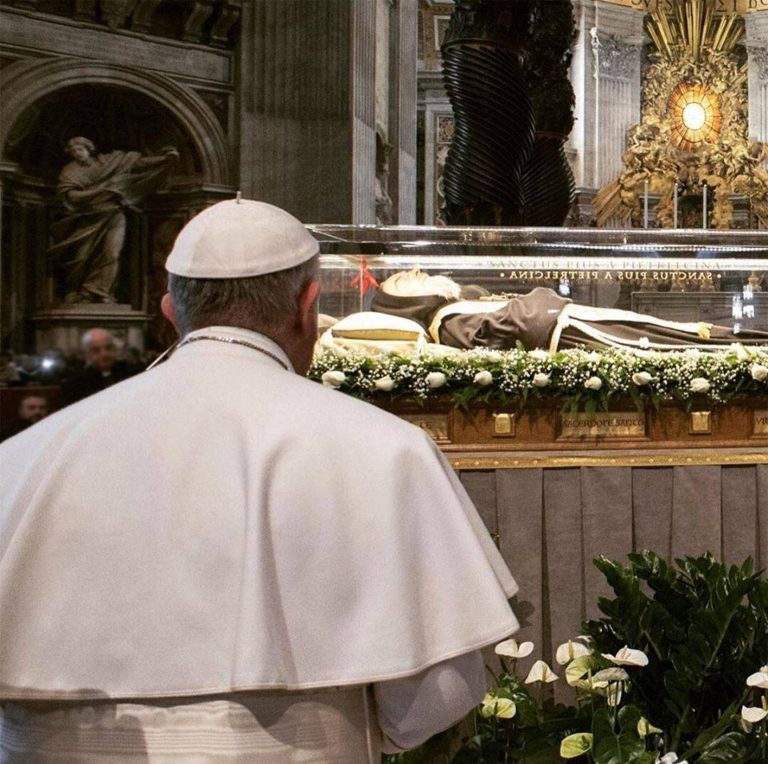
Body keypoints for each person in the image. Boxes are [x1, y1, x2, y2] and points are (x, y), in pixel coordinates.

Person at [0, 199, 519, 761]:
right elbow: (436, 694)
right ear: (308, 308)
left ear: (169, 311)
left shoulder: (28, 455)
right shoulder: (385, 450)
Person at [363, 268, 768, 353]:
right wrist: (540, 296)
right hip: (572, 331)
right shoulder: (446, 322)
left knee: (663, 328)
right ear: (410, 301)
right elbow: (512, 322)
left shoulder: (453, 308)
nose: (417, 270)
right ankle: (744, 346)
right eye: (406, 278)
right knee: (668, 339)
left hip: (572, 321)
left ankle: (745, 343)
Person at [49, 136, 179, 304]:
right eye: (73, 152)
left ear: (89, 148)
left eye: (80, 149)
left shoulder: (109, 162)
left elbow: (137, 164)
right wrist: (102, 190)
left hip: (113, 214)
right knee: (81, 258)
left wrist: (162, 158)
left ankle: (99, 291)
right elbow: (73, 197)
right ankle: (77, 291)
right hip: (86, 218)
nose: (77, 154)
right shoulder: (70, 171)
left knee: (112, 253)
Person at [60, 327, 140, 405]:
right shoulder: (75, 385)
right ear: (87, 354)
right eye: (96, 350)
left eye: (108, 348)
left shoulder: (132, 375)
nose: (104, 354)